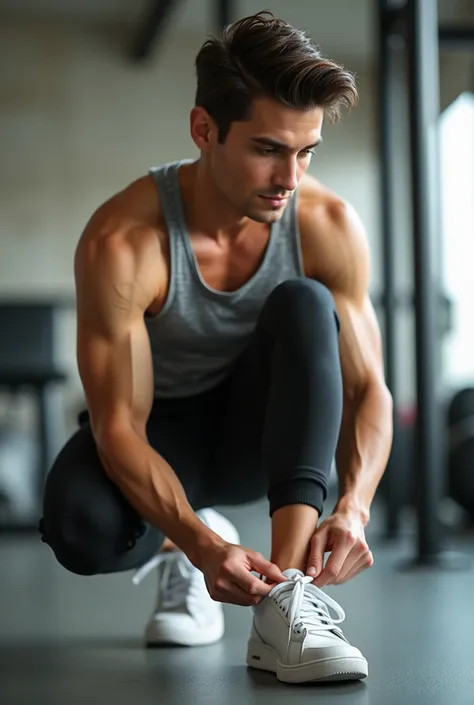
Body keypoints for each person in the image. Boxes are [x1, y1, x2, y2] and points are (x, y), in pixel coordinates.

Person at [39, 11, 393, 684]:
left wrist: (354, 507)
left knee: (306, 304)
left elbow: (367, 387)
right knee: (77, 526)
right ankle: (181, 541)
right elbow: (118, 424)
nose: (290, 176)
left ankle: (286, 603)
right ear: (205, 130)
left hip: (261, 435)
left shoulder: (326, 224)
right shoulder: (123, 240)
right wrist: (205, 549)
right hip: (161, 432)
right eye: (267, 148)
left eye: (306, 150)